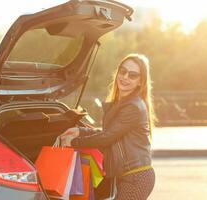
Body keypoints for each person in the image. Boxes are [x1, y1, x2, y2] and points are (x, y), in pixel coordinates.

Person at [60, 53, 155, 200]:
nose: (125, 77)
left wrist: (73, 142)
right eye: (123, 71)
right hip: (129, 175)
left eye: (133, 75)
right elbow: (109, 133)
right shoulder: (123, 103)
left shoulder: (133, 107)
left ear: (140, 82)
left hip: (137, 177)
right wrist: (80, 131)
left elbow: (107, 137)